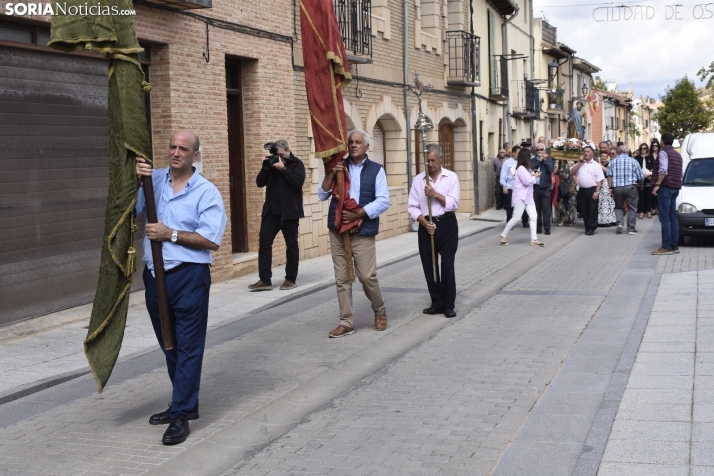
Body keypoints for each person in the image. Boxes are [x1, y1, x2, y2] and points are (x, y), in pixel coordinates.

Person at [135, 130, 227, 445]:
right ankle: (183, 402)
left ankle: (181, 415)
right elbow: (130, 210)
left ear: (194, 156)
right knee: (169, 344)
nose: (176, 152)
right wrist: (136, 179)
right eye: (172, 146)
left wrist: (170, 233)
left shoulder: (206, 192)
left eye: (183, 149)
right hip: (153, 275)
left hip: (189, 276)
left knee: (188, 346)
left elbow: (211, 240)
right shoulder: (154, 180)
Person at [318, 129, 390, 337]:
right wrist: (332, 173)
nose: (353, 145)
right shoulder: (339, 167)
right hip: (338, 229)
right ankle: (346, 322)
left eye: (358, 142)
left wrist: (360, 214)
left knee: (367, 276)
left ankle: (380, 310)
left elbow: (383, 200)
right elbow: (322, 194)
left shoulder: (376, 170)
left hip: (362, 229)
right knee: (342, 278)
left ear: (367, 146)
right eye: (351, 142)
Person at [408, 144, 461, 318]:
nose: (430, 164)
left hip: (446, 224)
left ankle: (449, 304)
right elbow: (412, 207)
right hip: (426, 226)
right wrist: (424, 222)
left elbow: (454, 203)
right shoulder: (418, 180)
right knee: (430, 265)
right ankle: (436, 302)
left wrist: (435, 194)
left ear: (440, 159)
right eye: (427, 160)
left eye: (433, 160)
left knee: (446, 264)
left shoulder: (451, 177)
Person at [249, 140, 306, 292]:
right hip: (271, 213)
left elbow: (298, 182)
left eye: (281, 155)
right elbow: (259, 183)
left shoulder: (296, 164)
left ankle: (290, 279)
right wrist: (266, 168)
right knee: (264, 245)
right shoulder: (271, 164)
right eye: (276, 155)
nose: (279, 158)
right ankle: (264, 280)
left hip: (290, 214)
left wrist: (283, 168)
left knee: (291, 247)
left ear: (288, 151)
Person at [499, 149, 544, 247]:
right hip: (520, 196)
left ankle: (534, 239)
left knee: (533, 216)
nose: (531, 158)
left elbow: (528, 178)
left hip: (528, 196)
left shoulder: (527, 168)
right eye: (529, 156)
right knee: (516, 218)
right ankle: (503, 235)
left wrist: (533, 173)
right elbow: (526, 182)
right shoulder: (520, 169)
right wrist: (535, 176)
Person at [651, 132, 683, 255]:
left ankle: (666, 246)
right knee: (672, 217)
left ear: (662, 141)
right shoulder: (677, 155)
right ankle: (674, 245)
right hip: (675, 187)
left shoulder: (663, 152)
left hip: (665, 187)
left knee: (664, 217)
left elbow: (663, 169)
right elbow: (681, 173)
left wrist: (658, 184)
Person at [607, 145, 644, 235]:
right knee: (632, 208)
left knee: (618, 206)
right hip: (630, 187)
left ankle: (619, 224)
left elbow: (609, 175)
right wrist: (641, 184)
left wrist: (610, 187)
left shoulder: (613, 161)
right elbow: (640, 176)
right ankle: (631, 229)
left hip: (617, 188)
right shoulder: (633, 161)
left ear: (619, 151)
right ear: (629, 152)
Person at [570, 146, 604, 235]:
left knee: (592, 209)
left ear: (592, 153)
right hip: (582, 189)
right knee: (584, 209)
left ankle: (591, 227)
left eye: (588, 151)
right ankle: (587, 226)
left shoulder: (596, 165)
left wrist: (597, 191)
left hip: (592, 188)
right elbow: (571, 173)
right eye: (584, 151)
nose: (586, 153)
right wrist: (578, 164)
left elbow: (599, 180)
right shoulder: (580, 164)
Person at [532, 143, 555, 235]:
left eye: (541, 149)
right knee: (537, 209)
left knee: (546, 208)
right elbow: (532, 167)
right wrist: (540, 160)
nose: (540, 151)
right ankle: (538, 227)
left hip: (545, 187)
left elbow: (551, 170)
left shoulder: (549, 160)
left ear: (545, 151)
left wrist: (544, 161)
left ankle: (547, 228)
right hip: (535, 187)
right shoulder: (533, 160)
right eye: (538, 150)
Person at [554, 159, 576, 226]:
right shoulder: (560, 163)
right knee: (562, 203)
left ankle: (570, 220)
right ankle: (563, 220)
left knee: (571, 203)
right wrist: (560, 163)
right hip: (562, 185)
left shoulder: (572, 162)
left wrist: (568, 162)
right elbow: (555, 172)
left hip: (570, 185)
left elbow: (573, 172)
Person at [635, 143, 654, 219]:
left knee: (649, 196)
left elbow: (654, 167)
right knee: (641, 195)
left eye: (644, 148)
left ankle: (649, 211)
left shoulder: (650, 157)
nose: (643, 150)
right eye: (641, 148)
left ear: (647, 149)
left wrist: (649, 174)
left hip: (648, 178)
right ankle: (641, 212)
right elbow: (635, 168)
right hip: (640, 179)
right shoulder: (637, 158)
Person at [597, 152, 616, 227]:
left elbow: (607, 172)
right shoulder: (597, 164)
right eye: (602, 156)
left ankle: (609, 220)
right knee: (600, 203)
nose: (604, 157)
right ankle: (600, 220)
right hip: (599, 183)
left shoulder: (609, 164)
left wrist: (610, 186)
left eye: (605, 156)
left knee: (608, 203)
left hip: (606, 183)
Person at [649, 140, 661, 215]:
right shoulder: (649, 155)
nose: (654, 147)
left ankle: (659, 207)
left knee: (659, 191)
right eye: (653, 146)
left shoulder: (661, 154)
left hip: (659, 175)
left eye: (656, 146)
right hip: (651, 175)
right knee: (652, 192)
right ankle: (653, 207)